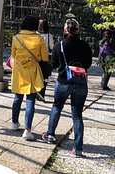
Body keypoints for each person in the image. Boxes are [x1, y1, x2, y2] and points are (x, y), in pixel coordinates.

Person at [42, 18, 92, 157]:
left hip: (64, 80)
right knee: (77, 115)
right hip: (80, 82)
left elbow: (55, 63)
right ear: (78, 30)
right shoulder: (85, 46)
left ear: (65, 29)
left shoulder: (60, 45)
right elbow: (87, 64)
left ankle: (50, 134)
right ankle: (78, 148)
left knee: (57, 106)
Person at [9, 15, 48, 140]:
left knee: (17, 98)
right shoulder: (39, 39)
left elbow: (13, 55)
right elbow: (44, 58)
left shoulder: (16, 38)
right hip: (32, 72)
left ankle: (14, 123)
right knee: (30, 100)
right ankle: (27, 130)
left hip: (19, 72)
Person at [38, 18, 54, 100]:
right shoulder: (49, 36)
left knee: (36, 76)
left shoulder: (36, 35)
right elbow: (52, 47)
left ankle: (36, 92)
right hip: (45, 59)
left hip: (36, 59)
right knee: (45, 77)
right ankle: (42, 93)